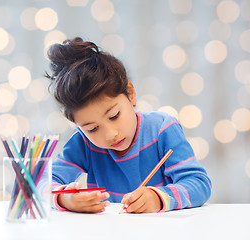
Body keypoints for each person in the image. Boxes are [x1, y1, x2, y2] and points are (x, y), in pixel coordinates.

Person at [45, 37, 212, 213]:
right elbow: (41, 183)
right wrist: (64, 198)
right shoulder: (83, 143)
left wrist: (159, 198)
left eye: (114, 116)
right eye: (92, 129)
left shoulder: (162, 129)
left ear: (130, 93)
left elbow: (199, 184)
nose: (110, 134)